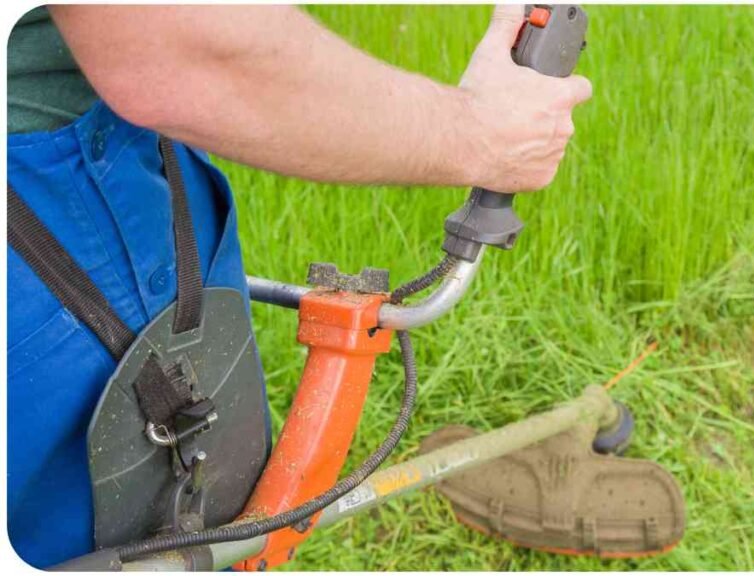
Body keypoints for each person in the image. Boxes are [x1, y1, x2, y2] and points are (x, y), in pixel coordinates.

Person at [6, 4, 590, 567]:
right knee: (146, 538)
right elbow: (170, 44)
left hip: (118, 159)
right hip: (46, 214)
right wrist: (483, 136)